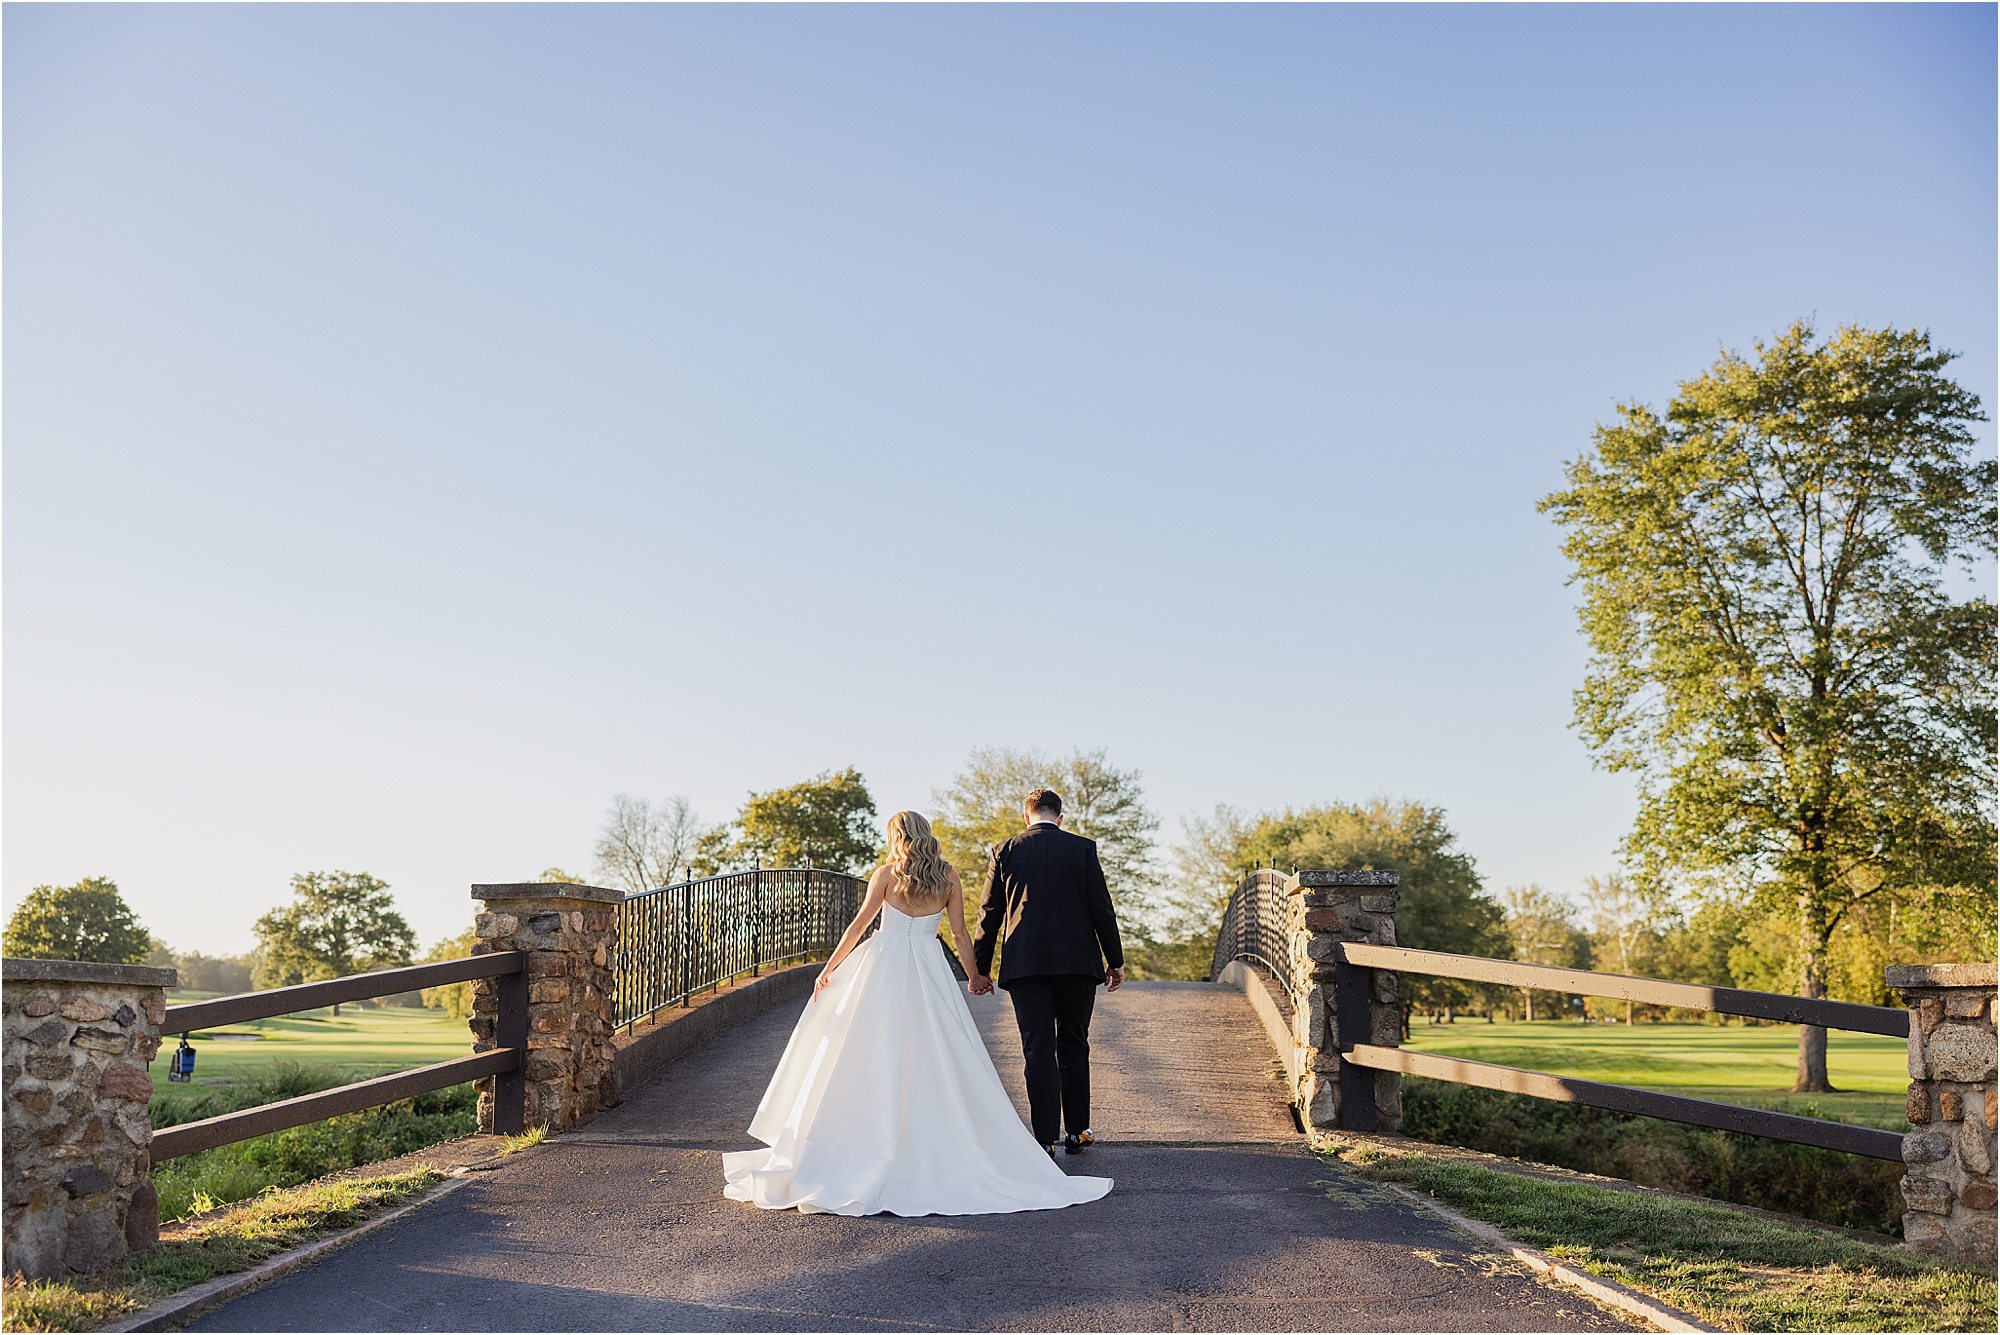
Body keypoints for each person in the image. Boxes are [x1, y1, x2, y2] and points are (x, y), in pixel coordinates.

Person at [722, 810, 1111, 1216]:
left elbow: (858, 926)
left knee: (864, 1049)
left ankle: (857, 1136)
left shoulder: (888, 874)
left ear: (897, 837)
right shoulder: (948, 876)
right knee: (937, 1051)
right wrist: (976, 975)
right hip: (929, 968)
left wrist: (830, 968)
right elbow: (960, 933)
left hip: (883, 967)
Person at [971, 788, 1124, 1156]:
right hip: (1077, 963)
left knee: (1037, 1049)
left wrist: (980, 969)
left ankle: (1043, 1140)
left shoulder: (1005, 851)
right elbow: (1102, 908)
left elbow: (988, 913)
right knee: (1074, 1042)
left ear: (1027, 817)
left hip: (1026, 966)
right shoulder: (1082, 849)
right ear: (1060, 817)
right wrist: (1114, 960)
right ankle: (1077, 1131)